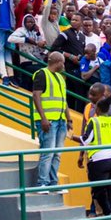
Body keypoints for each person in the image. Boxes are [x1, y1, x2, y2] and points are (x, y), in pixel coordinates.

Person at [77, 96, 111, 220]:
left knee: (98, 189)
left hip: (99, 159)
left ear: (97, 109)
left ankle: (108, 212)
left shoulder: (94, 121)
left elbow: (86, 140)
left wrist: (73, 137)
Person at [32, 52, 73, 192]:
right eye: (63, 62)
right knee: (48, 152)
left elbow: (63, 100)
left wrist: (69, 119)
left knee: (57, 153)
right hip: (48, 121)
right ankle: (42, 183)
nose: (64, 65)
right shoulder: (42, 74)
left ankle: (53, 183)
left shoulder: (61, 78)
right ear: (58, 61)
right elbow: (36, 96)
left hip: (60, 120)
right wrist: (43, 118)